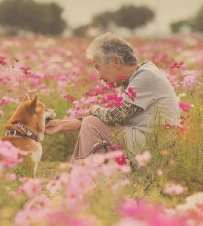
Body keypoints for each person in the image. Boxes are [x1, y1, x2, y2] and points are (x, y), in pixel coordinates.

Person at [44, 32, 180, 162]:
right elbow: (115, 121)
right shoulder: (133, 79)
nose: (99, 77)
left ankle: (86, 176)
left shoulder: (146, 75)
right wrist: (63, 125)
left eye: (98, 68)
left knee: (92, 124)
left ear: (116, 62)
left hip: (157, 147)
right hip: (146, 142)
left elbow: (115, 117)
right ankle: (85, 175)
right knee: (91, 123)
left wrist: (94, 108)